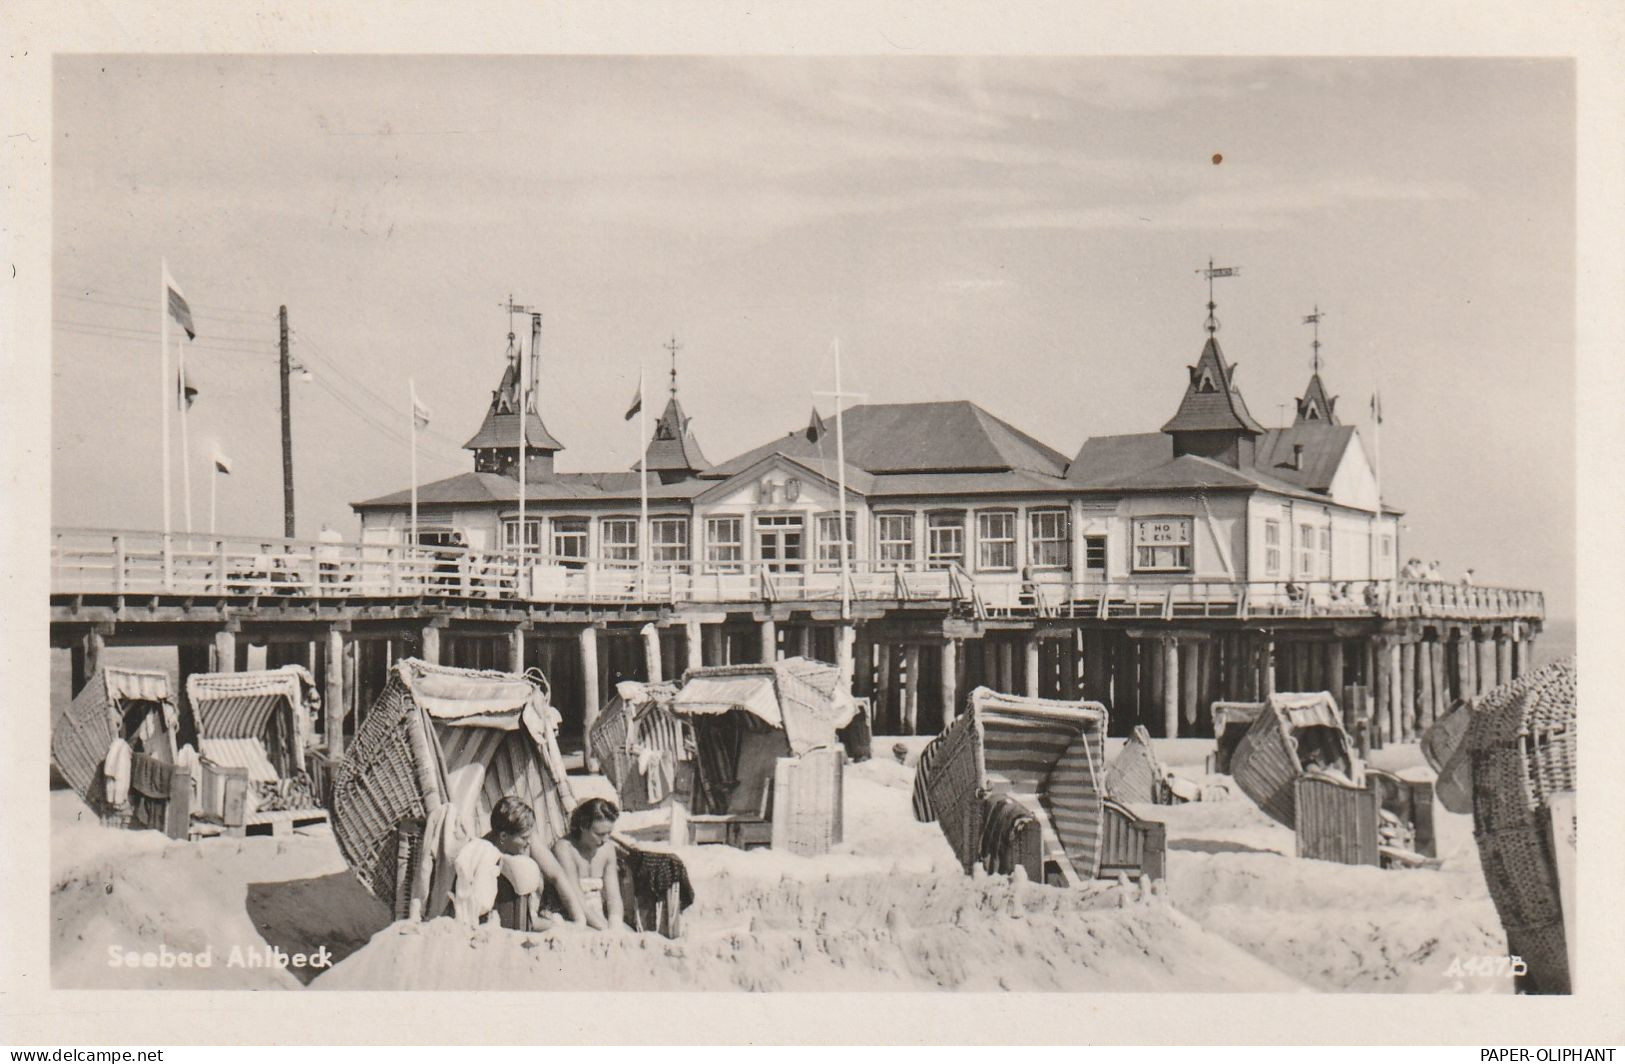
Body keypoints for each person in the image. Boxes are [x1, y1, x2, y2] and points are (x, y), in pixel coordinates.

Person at [552, 797, 625, 932]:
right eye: (600, 834)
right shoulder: (565, 849)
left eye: (609, 833)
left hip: (599, 916)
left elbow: (613, 897)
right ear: (583, 826)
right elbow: (575, 898)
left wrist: (616, 925)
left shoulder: (608, 849)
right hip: (573, 916)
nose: (606, 839)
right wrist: (603, 929)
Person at [317, 523, 343, 587]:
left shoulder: (322, 534)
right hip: (335, 559)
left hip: (324, 559)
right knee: (333, 579)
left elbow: (319, 549)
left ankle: (323, 593)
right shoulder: (338, 535)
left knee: (323, 579)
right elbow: (341, 549)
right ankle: (332, 593)